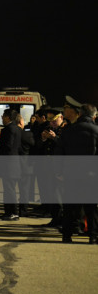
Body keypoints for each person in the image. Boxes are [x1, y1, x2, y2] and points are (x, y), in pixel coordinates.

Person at [56, 101, 98, 243]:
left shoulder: (68, 130)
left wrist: (60, 171)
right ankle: (92, 236)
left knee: (69, 207)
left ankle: (67, 235)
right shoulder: (96, 131)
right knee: (91, 208)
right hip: (91, 175)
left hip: (71, 174)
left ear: (79, 114)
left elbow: (60, 152)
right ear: (93, 116)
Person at [0, 108, 22, 221]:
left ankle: (13, 212)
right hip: (14, 163)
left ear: (8, 117)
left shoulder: (9, 129)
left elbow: (8, 147)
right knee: (8, 189)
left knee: (10, 189)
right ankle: (8, 212)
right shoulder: (17, 128)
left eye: (3, 115)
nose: (2, 117)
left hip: (8, 164)